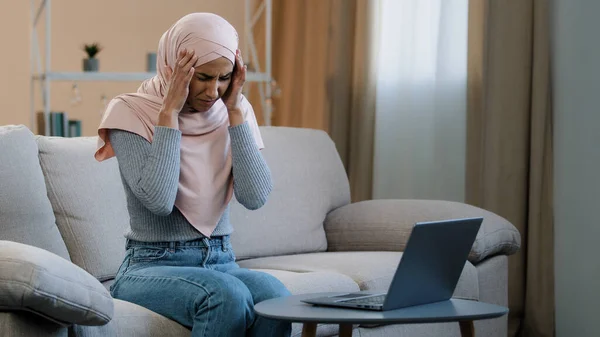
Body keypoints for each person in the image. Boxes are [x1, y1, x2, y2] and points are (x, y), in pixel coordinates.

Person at [94, 13, 291, 337]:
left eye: (224, 77)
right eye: (202, 77)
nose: (213, 91)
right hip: (151, 265)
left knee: (277, 299)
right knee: (226, 297)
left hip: (221, 260)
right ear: (173, 67)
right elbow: (158, 200)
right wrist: (169, 113)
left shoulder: (233, 111)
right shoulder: (129, 111)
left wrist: (236, 114)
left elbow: (255, 197)